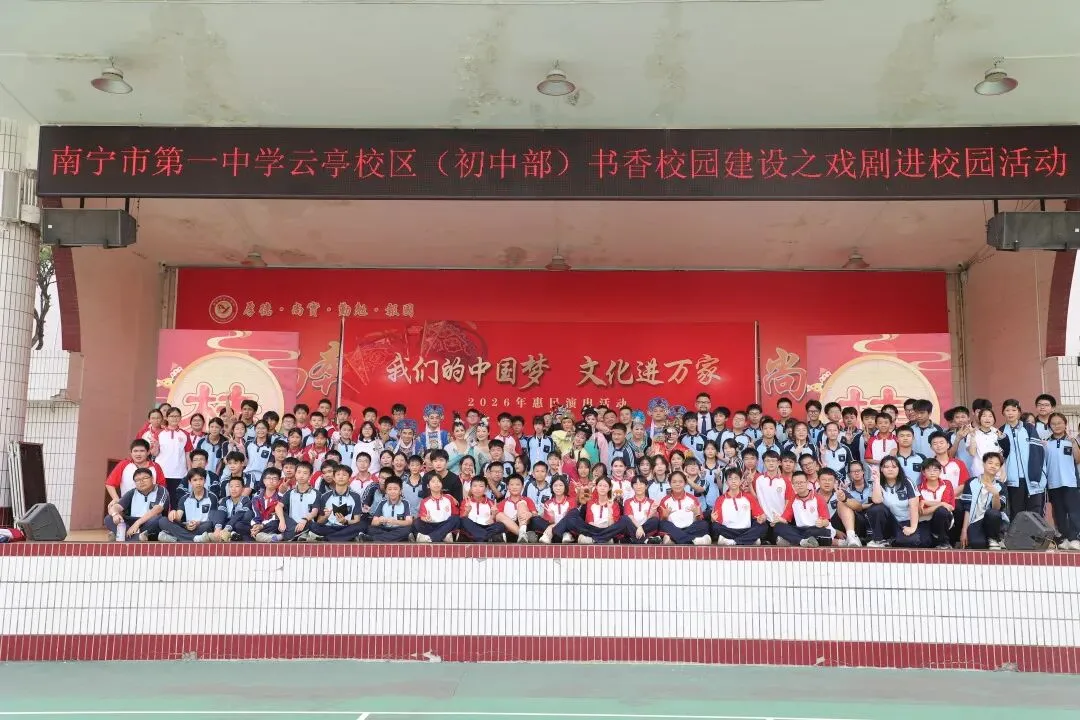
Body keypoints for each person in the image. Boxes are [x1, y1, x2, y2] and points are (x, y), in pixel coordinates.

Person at [999, 399, 1047, 516]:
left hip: (1032, 478)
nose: (1010, 413)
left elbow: (1037, 452)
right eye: (1007, 410)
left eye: (1013, 410)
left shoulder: (1029, 428)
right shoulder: (1000, 432)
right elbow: (1000, 457)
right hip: (1013, 480)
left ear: (1019, 412)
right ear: (1003, 412)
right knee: (1017, 513)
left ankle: (1035, 530)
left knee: (1035, 513)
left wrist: (1036, 476)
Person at [867, 456, 925, 548]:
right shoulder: (876, 482)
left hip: (905, 521)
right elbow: (877, 501)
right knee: (876, 509)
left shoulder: (907, 482)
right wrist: (877, 481)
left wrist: (912, 527)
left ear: (899, 469)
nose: (890, 469)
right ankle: (878, 540)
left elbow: (914, 506)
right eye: (886, 467)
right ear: (881, 469)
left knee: (910, 542)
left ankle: (891, 541)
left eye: (894, 467)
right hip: (889, 521)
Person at [1043, 412, 1080, 550]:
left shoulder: (1071, 440)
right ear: (1049, 426)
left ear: (1065, 424)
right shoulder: (1046, 442)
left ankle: (1075, 538)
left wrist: (1073, 443)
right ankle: (1064, 537)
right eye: (1053, 423)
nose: (1057, 426)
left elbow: (1077, 459)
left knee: (1074, 511)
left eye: (1059, 423)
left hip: (1070, 482)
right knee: (1059, 512)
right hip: (1053, 483)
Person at [552, 476, 624, 544]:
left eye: (605, 486)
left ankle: (598, 537)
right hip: (591, 530)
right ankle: (599, 537)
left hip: (607, 531)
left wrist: (610, 509)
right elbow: (590, 522)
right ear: (596, 487)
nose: (602, 488)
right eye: (600, 485)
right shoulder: (590, 502)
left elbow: (612, 526)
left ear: (610, 488)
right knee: (572, 514)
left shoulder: (615, 504)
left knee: (623, 521)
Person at [104, 467, 168, 542]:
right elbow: (116, 507)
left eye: (145, 478)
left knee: (159, 519)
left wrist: (137, 523)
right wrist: (115, 514)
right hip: (131, 522)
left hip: (148, 523)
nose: (141, 482)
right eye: (137, 480)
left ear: (152, 478)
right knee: (109, 518)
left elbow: (157, 509)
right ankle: (137, 538)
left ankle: (123, 536)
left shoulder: (161, 490)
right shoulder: (132, 492)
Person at [305, 465, 365, 542]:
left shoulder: (355, 496)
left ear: (349, 478)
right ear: (334, 478)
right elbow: (319, 521)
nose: (341, 477)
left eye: (344, 475)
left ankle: (325, 538)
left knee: (362, 525)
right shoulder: (325, 496)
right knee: (313, 525)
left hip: (346, 527)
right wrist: (325, 517)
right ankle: (344, 537)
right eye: (338, 474)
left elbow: (357, 520)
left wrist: (345, 521)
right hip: (329, 527)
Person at [961, 452, 1008, 550]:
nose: (993, 466)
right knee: (977, 544)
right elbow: (967, 509)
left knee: (993, 513)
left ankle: (994, 538)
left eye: (997, 464)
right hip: (975, 521)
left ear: (1000, 468)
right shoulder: (971, 482)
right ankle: (989, 540)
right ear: (983, 464)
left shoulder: (1001, 486)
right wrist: (964, 531)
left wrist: (995, 494)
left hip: (992, 522)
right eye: (990, 463)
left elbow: (996, 509)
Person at [773, 471, 832, 547]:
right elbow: (785, 519)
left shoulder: (818, 498)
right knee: (778, 526)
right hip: (800, 530)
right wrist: (778, 519)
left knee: (822, 532)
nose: (799, 485)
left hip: (815, 529)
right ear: (793, 485)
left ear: (807, 482)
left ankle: (793, 541)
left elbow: (827, 522)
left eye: (801, 482)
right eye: (796, 483)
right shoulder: (793, 499)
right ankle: (802, 541)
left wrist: (822, 522)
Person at [157, 468, 218, 543]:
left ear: (205, 481)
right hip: (187, 526)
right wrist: (173, 513)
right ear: (189, 482)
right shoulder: (184, 498)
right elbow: (178, 518)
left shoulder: (212, 497)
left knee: (208, 525)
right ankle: (195, 538)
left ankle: (175, 538)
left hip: (202, 527)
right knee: (163, 521)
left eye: (201, 479)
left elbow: (212, 519)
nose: (198, 483)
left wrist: (198, 523)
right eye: (195, 480)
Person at [711, 467, 767, 546]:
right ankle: (748, 540)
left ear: (741, 481)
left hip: (746, 530)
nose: (733, 481)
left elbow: (761, 516)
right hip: (728, 530)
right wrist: (713, 519)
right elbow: (716, 520)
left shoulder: (749, 497)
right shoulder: (720, 499)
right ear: (726, 482)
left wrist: (762, 518)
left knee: (763, 526)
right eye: (730, 479)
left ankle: (734, 542)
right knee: (715, 526)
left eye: (736, 478)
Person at [656, 471, 711, 545]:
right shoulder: (664, 500)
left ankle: (674, 539)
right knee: (663, 524)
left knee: (703, 524)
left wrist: (696, 515)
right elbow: (662, 520)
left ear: (685, 483)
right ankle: (694, 540)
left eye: (680, 482)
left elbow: (699, 519)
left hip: (690, 528)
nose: (677, 484)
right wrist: (665, 517)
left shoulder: (693, 498)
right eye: (674, 482)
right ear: (670, 484)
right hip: (673, 528)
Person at [916, 459, 955, 549]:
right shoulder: (918, 489)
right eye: (929, 470)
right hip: (925, 521)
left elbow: (949, 507)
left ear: (940, 471)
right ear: (923, 472)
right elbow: (922, 512)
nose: (932, 473)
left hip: (944, 521)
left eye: (935, 470)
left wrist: (926, 502)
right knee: (924, 543)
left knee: (941, 511)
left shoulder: (947, 484)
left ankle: (944, 543)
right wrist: (941, 503)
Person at [414, 474, 460, 543]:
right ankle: (443, 535)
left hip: (445, 524)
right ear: (428, 486)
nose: (436, 483)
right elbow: (422, 517)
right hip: (431, 525)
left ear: (442, 484)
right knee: (417, 522)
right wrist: (426, 518)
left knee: (456, 519)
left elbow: (455, 514)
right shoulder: (424, 501)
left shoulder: (449, 498)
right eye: (433, 481)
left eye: (438, 481)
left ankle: (430, 538)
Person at [495, 474, 539, 543]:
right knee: (498, 515)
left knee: (522, 504)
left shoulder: (528, 500)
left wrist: (530, 514)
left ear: (522, 487)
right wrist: (493, 513)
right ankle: (521, 534)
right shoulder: (503, 502)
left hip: (526, 526)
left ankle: (522, 532)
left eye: (517, 485)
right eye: (512, 485)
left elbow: (535, 514)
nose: (514, 487)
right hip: (509, 531)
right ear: (508, 487)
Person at [367, 478, 414, 542]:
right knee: (371, 529)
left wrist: (395, 522)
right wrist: (380, 521)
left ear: (400, 491)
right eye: (389, 489)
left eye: (395, 489)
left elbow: (409, 522)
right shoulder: (382, 503)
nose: (392, 491)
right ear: (386, 491)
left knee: (408, 529)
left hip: (399, 528)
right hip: (384, 529)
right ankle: (394, 538)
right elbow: (373, 523)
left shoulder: (405, 503)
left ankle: (373, 539)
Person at [282, 463, 320, 540]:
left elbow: (314, 512)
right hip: (292, 524)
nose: (301, 475)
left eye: (305, 473)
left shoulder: (316, 493)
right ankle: (302, 535)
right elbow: (279, 506)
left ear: (310, 476)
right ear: (295, 474)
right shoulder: (289, 493)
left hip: (307, 523)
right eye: (299, 472)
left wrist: (305, 519)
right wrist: (282, 521)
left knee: (313, 525)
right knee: (278, 520)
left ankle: (281, 537)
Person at [459, 476, 504, 542]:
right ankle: (486, 537)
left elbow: (492, 521)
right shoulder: (466, 501)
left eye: (481, 486)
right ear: (471, 488)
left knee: (500, 525)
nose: (477, 489)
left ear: (486, 489)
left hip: (486, 526)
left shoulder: (491, 502)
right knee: (463, 520)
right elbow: (462, 519)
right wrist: (467, 511)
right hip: (471, 527)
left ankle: (479, 537)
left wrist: (493, 516)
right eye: (475, 486)